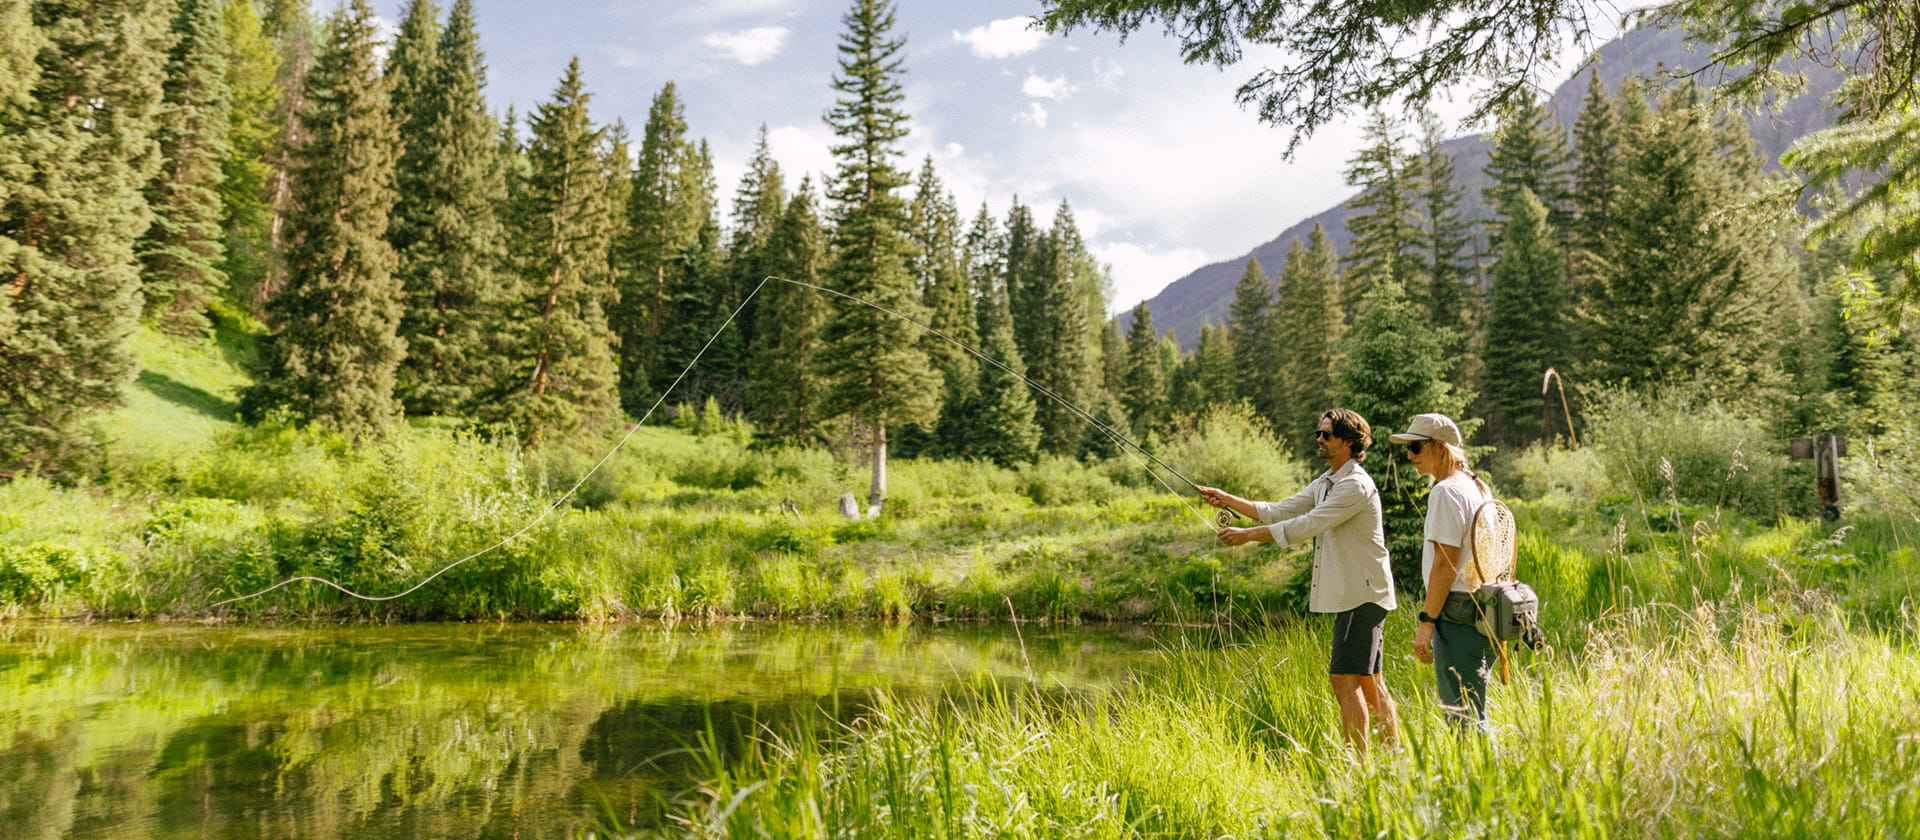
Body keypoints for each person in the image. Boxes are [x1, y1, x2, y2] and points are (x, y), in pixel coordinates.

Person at [1197, 408, 1398, 753]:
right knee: (1368, 680)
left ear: (1349, 443)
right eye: (1317, 433)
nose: (1319, 439)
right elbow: (1280, 510)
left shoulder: (1354, 486)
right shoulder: (1327, 481)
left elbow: (1305, 526)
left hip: (1361, 596)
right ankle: (1392, 757)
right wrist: (1227, 499)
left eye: (1326, 435)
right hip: (1361, 594)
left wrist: (1247, 535)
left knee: (1344, 681)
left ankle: (1358, 764)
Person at [1391, 412, 1498, 734]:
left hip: (1459, 612)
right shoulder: (1476, 486)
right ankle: (1485, 780)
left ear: (1440, 448)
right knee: (1474, 709)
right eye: (1407, 449)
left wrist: (1426, 623)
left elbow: (1444, 563)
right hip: (1485, 609)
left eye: (1416, 448)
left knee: (1462, 715)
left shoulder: (1446, 492)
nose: (1410, 456)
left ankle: (1477, 782)